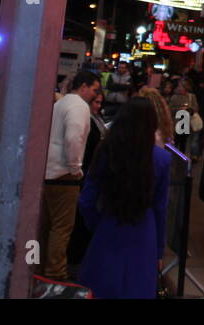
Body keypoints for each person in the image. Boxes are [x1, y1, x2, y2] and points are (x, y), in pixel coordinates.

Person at [77, 98, 171, 299]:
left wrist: (96, 224)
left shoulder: (106, 152)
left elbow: (86, 199)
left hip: (109, 225)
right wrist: (159, 249)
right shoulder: (162, 159)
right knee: (137, 288)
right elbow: (160, 208)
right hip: (144, 232)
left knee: (102, 286)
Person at [41, 70, 101, 280]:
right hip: (63, 175)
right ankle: (55, 274)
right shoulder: (78, 107)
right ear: (83, 86)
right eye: (94, 90)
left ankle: (40, 270)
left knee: (46, 225)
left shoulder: (62, 103)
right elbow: (74, 137)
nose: (95, 95)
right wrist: (75, 167)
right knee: (62, 227)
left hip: (48, 171)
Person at [67, 87, 109, 272]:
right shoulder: (86, 120)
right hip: (84, 173)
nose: (98, 106)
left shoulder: (96, 119)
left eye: (100, 103)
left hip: (91, 173)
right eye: (96, 102)